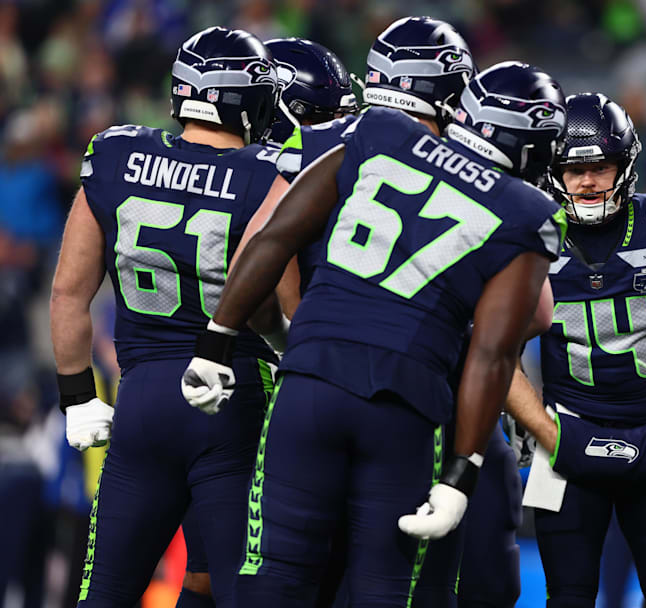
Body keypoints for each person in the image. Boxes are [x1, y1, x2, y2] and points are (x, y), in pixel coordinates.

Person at [179, 61, 568, 608]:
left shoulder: (381, 130)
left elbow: (276, 237)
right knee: (384, 588)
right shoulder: (528, 212)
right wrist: (461, 473)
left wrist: (215, 341)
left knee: (275, 576)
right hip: (404, 404)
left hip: (309, 381)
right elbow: (492, 351)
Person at [49, 26, 286, 607]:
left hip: (143, 400)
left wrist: (78, 395)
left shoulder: (116, 153)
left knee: (104, 593)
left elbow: (67, 292)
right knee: (239, 595)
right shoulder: (269, 175)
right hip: (232, 402)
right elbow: (289, 309)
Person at [499, 92, 646, 608]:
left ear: (625, 165)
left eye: (600, 167)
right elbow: (498, 351)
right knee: (569, 595)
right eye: (573, 168)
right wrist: (542, 427)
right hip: (568, 431)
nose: (586, 181)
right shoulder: (529, 232)